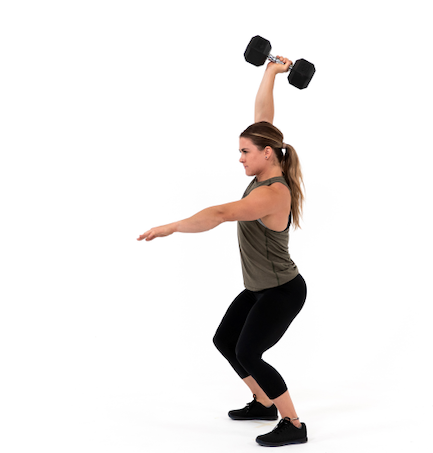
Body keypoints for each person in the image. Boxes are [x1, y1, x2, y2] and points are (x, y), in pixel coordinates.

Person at [137, 54, 309, 447]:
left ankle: (294, 424)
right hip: (260, 287)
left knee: (249, 351)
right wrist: (271, 72)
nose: (240, 157)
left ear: (267, 153)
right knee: (225, 341)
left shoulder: (272, 194)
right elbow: (262, 117)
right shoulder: (268, 164)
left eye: (245, 151)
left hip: (283, 290)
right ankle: (263, 402)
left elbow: (219, 213)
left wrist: (172, 226)